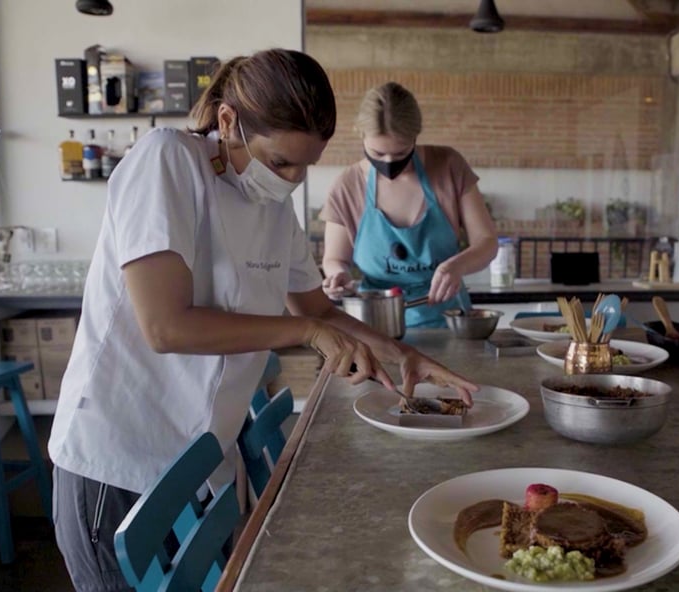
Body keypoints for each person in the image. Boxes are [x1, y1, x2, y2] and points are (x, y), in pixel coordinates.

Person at [47, 50, 478, 592]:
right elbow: (165, 327)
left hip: (199, 459)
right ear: (228, 121)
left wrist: (405, 354)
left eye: (305, 166)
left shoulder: (272, 205)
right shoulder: (167, 161)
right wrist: (302, 332)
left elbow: (318, 309)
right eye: (281, 163)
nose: (293, 180)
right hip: (120, 459)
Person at [320, 82, 498, 328]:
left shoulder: (448, 166)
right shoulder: (347, 187)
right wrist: (337, 274)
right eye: (378, 153)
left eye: (401, 152)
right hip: (377, 325)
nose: (389, 162)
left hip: (448, 323)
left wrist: (457, 266)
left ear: (416, 136)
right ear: (360, 134)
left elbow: (487, 243)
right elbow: (335, 259)